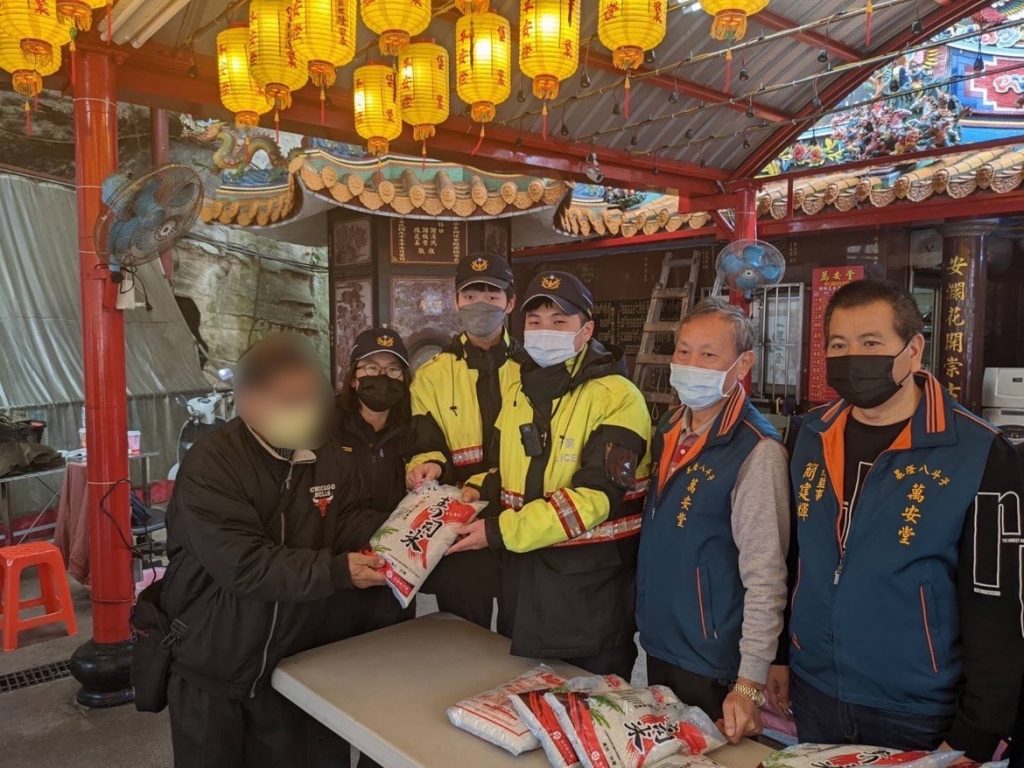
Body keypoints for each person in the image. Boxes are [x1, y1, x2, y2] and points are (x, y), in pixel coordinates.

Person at [773, 279, 1024, 762]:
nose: (853, 358)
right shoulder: (810, 435)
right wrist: (781, 653)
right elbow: (794, 557)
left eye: (871, 343)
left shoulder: (978, 451)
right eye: (839, 346)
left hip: (917, 709)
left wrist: (977, 729)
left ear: (913, 350)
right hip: (816, 690)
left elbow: (996, 602)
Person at [160, 334, 387, 768]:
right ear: (248, 400)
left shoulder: (329, 452)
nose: (305, 409)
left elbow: (348, 519)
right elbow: (244, 564)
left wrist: (408, 527)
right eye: (290, 399)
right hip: (219, 661)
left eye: (311, 398)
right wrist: (338, 572)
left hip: (297, 661)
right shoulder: (211, 464)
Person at [449, 271, 651, 679]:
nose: (545, 331)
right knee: (520, 700)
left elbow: (595, 497)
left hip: (588, 595)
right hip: (524, 585)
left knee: (587, 706)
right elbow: (506, 469)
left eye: (560, 322)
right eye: (536, 321)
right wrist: (472, 491)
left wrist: (498, 531)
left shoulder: (619, 398)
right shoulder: (520, 391)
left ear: (586, 330)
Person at [636, 298, 790, 744]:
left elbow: (766, 577)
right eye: (683, 351)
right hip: (661, 641)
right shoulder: (670, 426)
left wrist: (749, 682)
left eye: (708, 354)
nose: (690, 364)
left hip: (714, 659)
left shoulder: (757, 450)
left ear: (743, 364)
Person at [405, 252, 520, 629]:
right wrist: (427, 464)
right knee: (462, 634)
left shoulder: (533, 368)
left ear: (510, 302)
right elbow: (424, 438)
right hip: (459, 523)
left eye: (491, 295)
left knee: (521, 636)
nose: (480, 304)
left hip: (521, 520)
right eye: (470, 295)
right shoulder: (432, 375)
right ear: (456, 301)